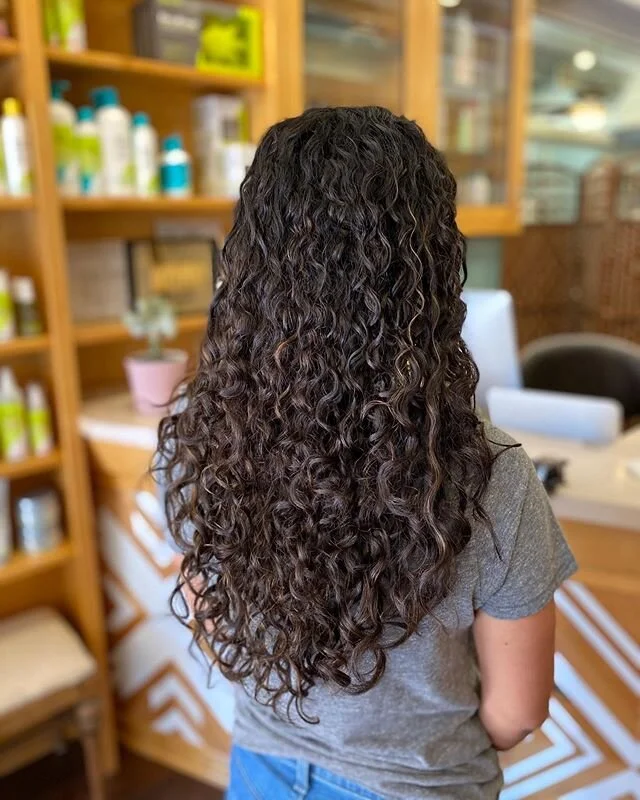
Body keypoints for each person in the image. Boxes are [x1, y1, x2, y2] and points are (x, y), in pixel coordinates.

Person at [157, 106, 577, 800]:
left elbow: (215, 623)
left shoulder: (202, 438)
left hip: (260, 769)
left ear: (253, 261)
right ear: (429, 270)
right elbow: (518, 712)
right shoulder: (490, 476)